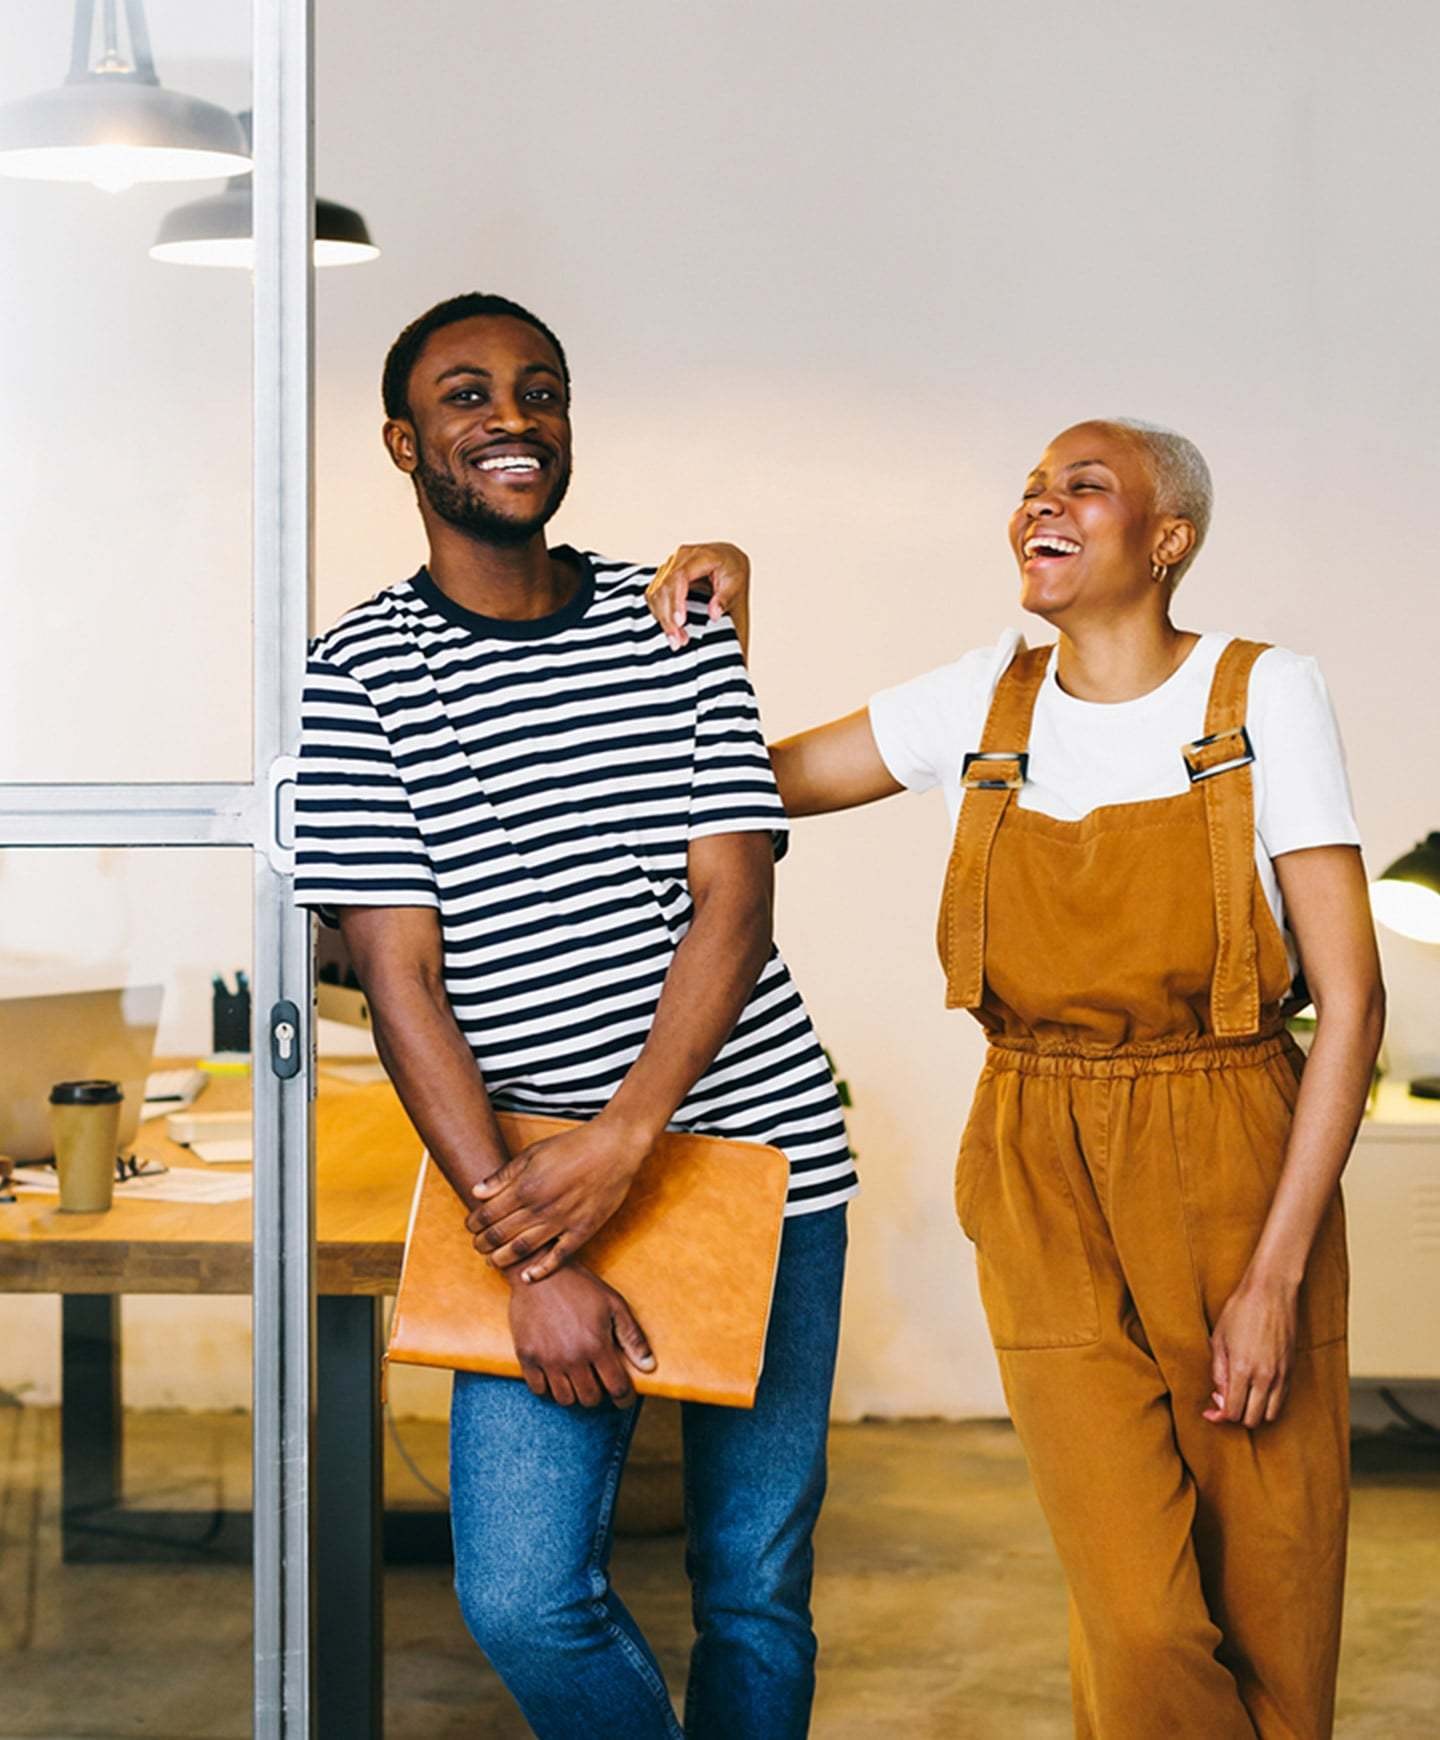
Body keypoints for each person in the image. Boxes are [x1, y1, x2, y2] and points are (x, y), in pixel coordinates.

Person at [645, 418, 1384, 1738]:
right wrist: (719, 638)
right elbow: (729, 788)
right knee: (1139, 1611)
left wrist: (1272, 1278)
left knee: (1268, 1591)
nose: (1041, 503)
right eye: (1032, 486)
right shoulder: (976, 703)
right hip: (1035, 1160)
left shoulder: (1260, 693)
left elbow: (1353, 999)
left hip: (1233, 1157)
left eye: (1084, 486)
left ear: (1169, 542)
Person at [293, 292, 856, 1740]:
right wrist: (522, 1226)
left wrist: (628, 1140)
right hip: (531, 1186)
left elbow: (734, 900)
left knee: (753, 1587)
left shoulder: (677, 619)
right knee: (526, 1595)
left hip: (760, 1162)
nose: (511, 420)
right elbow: (397, 976)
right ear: (403, 442)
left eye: (538, 391)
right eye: (468, 397)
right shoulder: (356, 676)